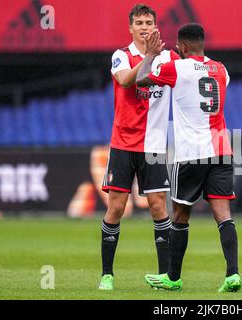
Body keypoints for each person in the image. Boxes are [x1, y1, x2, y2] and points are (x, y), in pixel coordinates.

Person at [136, 23, 242, 292]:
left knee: (180, 214)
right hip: (221, 149)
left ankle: (172, 278)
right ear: (202, 44)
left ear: (181, 47)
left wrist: (149, 54)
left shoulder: (176, 68)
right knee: (223, 214)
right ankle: (232, 274)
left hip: (191, 153)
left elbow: (141, 80)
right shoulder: (221, 69)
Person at [98, 4, 180, 291]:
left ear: (156, 27)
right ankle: (107, 274)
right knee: (116, 209)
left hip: (154, 145)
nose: (144, 27)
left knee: (159, 207)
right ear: (130, 28)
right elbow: (125, 80)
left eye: (149, 22)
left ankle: (165, 276)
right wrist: (149, 57)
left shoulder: (169, 58)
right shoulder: (121, 56)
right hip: (122, 143)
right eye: (139, 23)